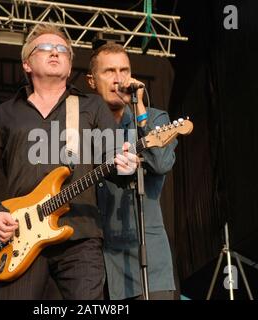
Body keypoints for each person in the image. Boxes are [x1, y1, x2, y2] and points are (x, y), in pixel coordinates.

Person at [0, 25, 137, 300]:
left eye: (63, 51)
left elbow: (113, 159)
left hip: (80, 235)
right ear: (27, 64)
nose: (55, 53)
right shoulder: (5, 114)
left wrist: (126, 166)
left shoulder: (91, 107)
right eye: (45, 48)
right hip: (20, 237)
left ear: (69, 68)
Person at [86, 43, 178, 300]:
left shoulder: (156, 118)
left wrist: (139, 111)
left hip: (147, 265)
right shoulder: (83, 127)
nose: (118, 78)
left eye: (124, 70)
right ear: (92, 81)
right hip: (98, 267)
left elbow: (160, 163)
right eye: (110, 71)